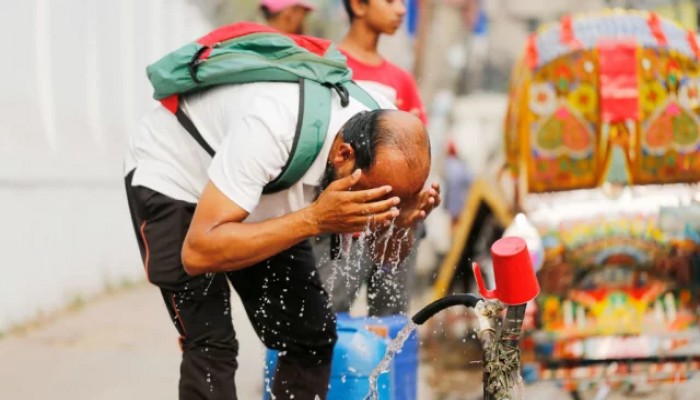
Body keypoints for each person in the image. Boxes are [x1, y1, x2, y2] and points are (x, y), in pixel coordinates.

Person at [124, 78, 440, 399]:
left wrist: (401, 223)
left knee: (311, 335)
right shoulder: (271, 127)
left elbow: (385, 258)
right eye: (372, 196)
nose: (371, 206)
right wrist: (313, 219)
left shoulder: (385, 146)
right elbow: (197, 253)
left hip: (260, 192)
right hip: (177, 178)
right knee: (210, 341)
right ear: (345, 154)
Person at [313, 0, 429, 317]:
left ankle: (384, 367)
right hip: (337, 217)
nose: (402, 10)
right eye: (390, 1)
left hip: (392, 219)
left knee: (391, 316)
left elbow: (415, 152)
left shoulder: (401, 81)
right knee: (327, 313)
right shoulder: (326, 67)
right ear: (358, 5)